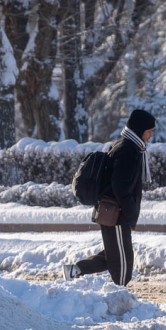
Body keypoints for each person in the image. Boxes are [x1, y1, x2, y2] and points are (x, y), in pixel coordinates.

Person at [63, 109, 155, 286]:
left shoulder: (126, 145)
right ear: (139, 129)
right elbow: (120, 186)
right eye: (149, 131)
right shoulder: (128, 149)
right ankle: (120, 295)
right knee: (123, 263)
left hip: (113, 211)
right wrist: (129, 210)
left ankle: (74, 271)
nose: (151, 135)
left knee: (114, 255)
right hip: (117, 214)